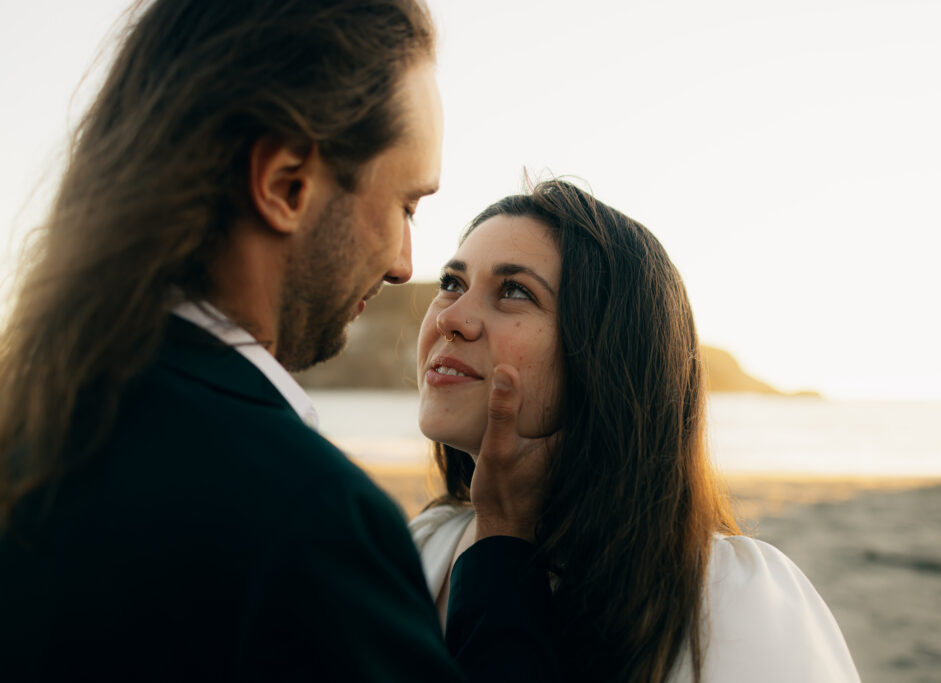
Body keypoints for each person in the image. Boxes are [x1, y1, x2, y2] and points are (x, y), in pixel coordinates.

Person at [0, 1, 558, 681]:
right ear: (284, 184)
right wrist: (499, 547)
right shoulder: (313, 529)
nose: (403, 264)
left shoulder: (36, 429)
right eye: (405, 205)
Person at [409, 179, 862, 683]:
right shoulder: (420, 549)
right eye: (451, 283)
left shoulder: (731, 598)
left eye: (514, 291)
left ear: (607, 356)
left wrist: (503, 535)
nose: (450, 317)